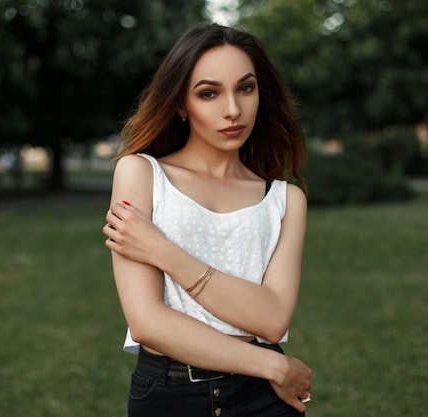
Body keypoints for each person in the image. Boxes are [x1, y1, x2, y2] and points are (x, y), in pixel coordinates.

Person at [102, 23, 312, 417]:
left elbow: (271, 319)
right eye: (209, 93)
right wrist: (273, 364)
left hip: (263, 402)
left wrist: (164, 252)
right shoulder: (141, 175)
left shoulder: (286, 200)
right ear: (181, 104)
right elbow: (147, 322)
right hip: (173, 393)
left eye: (245, 88)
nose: (232, 109)